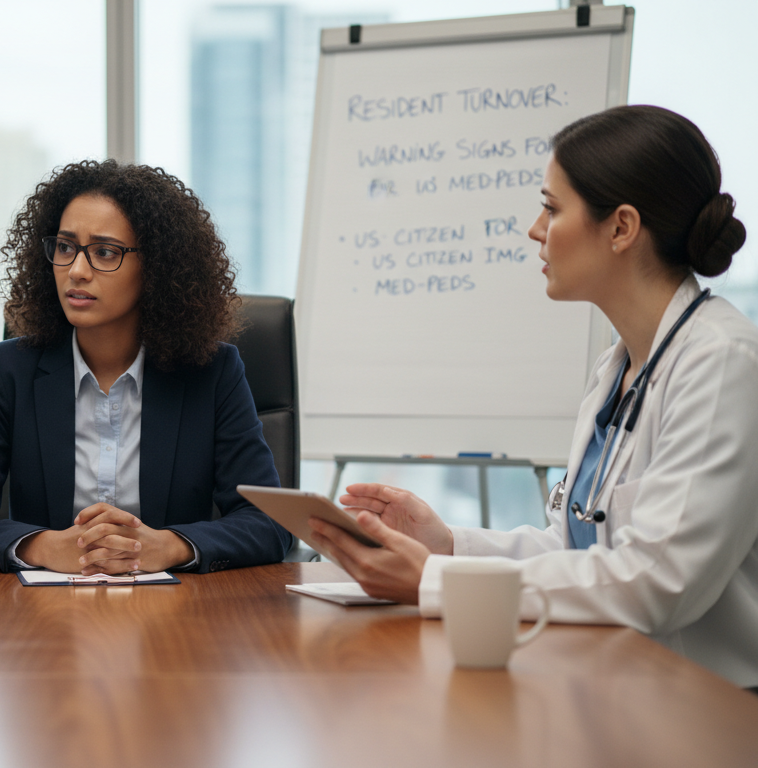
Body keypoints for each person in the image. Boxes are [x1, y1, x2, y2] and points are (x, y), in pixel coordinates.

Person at [305, 105, 758, 688]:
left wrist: (434, 579)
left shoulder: (721, 362)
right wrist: (448, 545)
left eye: (551, 207)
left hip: (701, 706)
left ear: (621, 228)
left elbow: (656, 583)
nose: (535, 229)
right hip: (611, 684)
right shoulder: (616, 366)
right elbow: (578, 550)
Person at [0, 160, 294, 574]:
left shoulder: (212, 372)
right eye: (65, 248)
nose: (77, 271)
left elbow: (270, 522)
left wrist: (169, 546)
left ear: (157, 266)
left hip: (178, 618)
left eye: (105, 252)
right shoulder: (7, 369)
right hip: (39, 618)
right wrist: (42, 547)